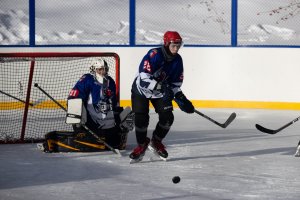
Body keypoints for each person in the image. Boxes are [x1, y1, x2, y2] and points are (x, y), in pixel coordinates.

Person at [129, 31, 195, 161]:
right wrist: (162, 87)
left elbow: (175, 84)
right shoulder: (154, 54)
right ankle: (141, 145)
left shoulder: (178, 60)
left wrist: (182, 98)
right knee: (141, 120)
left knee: (168, 118)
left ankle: (156, 141)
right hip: (141, 90)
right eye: (173, 46)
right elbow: (143, 81)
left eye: (178, 45)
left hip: (159, 92)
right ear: (166, 44)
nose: (176, 49)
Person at [65, 58, 130, 151]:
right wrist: (78, 120)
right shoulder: (87, 79)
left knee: (129, 112)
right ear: (93, 70)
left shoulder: (110, 81)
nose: (103, 72)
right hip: (92, 123)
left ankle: (118, 137)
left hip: (108, 123)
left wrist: (117, 118)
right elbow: (73, 97)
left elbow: (113, 102)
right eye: (100, 69)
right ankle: (81, 133)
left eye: (104, 69)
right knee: (75, 104)